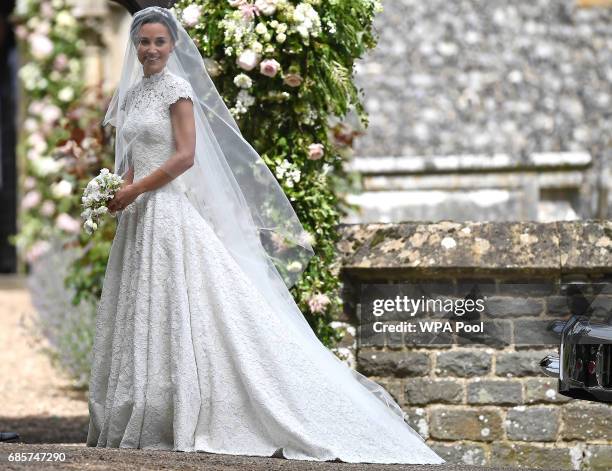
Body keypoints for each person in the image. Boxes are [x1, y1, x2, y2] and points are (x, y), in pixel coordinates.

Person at [86, 6, 445, 465]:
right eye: (143, 42)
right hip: (140, 215)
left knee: (191, 305)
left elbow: (184, 157)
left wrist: (135, 188)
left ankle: (205, 406)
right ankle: (151, 408)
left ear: (172, 45)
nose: (151, 49)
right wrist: (118, 191)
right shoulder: (134, 96)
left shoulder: (178, 91)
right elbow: (138, 155)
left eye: (159, 41)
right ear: (134, 47)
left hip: (169, 211)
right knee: (145, 305)